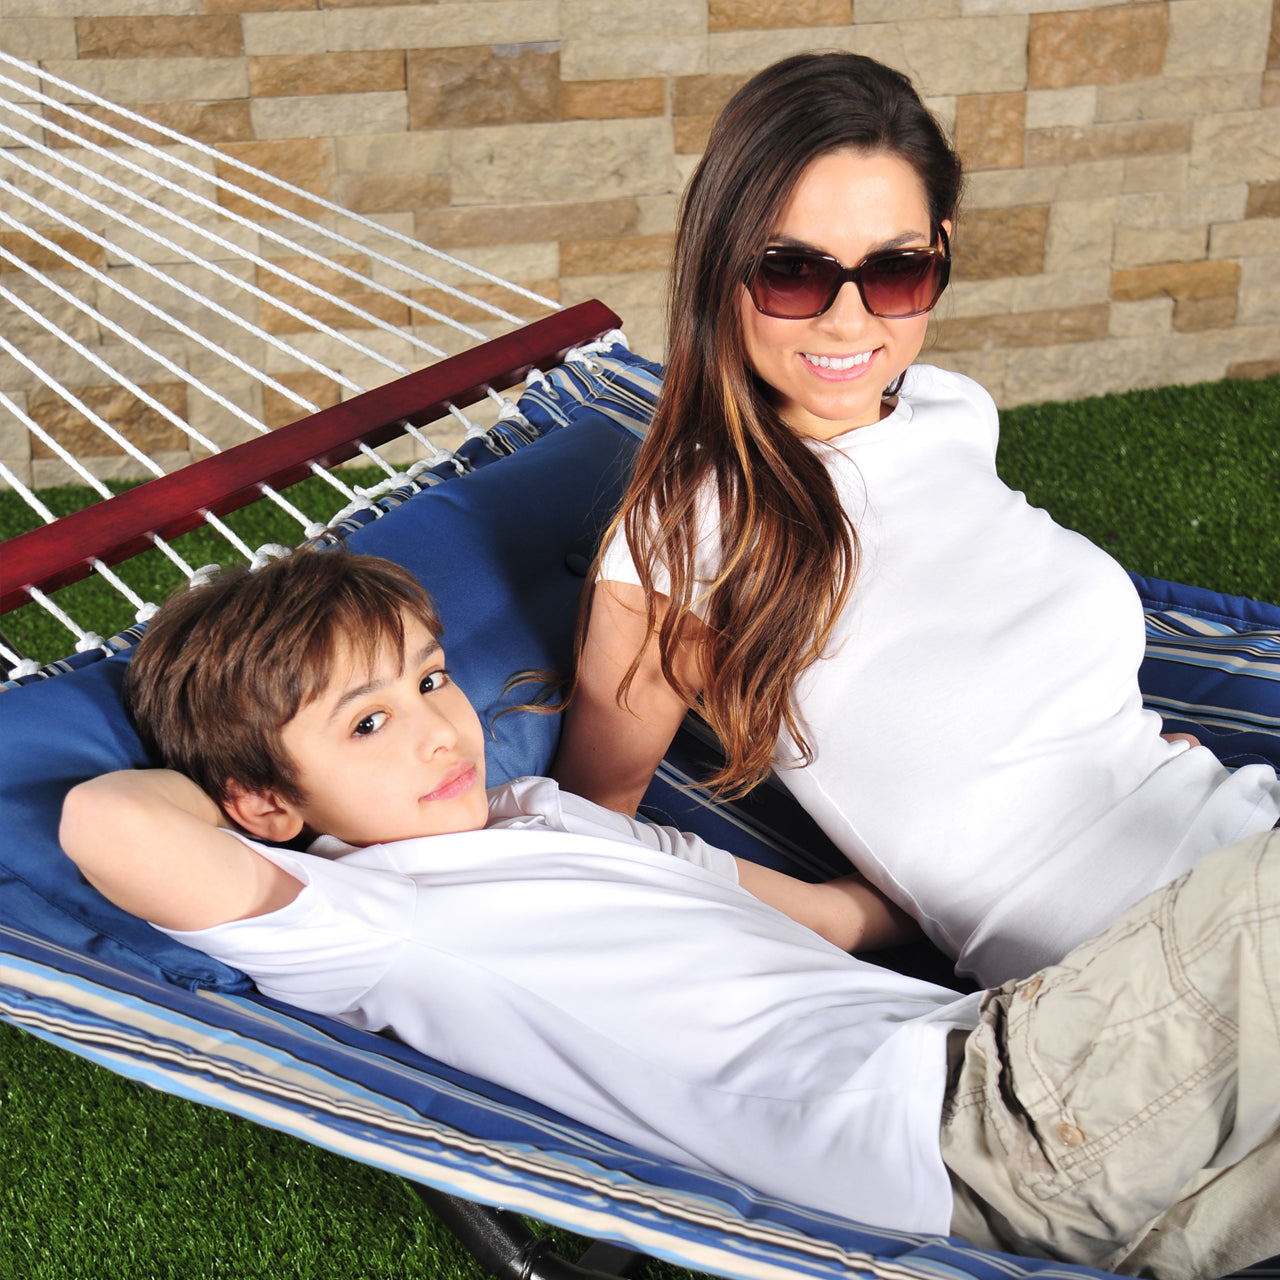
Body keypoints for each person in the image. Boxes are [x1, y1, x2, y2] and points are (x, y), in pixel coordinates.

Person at [60, 548, 1280, 1278]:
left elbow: (828, 915)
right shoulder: (358, 915)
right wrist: (237, 791)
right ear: (268, 801)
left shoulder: (545, 810)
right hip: (975, 1131)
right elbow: (109, 823)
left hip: (1049, 1119)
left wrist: (1067, 792)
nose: (438, 725)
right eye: (366, 722)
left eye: (430, 676)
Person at [551, 52, 1280, 987]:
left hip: (1241, 837)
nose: (852, 322)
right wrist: (849, 916)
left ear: (939, 250)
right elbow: (584, 833)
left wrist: (1123, 753)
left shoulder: (949, 413)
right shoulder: (686, 536)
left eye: (895, 269)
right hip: (1152, 986)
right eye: (792, 272)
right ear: (719, 267)